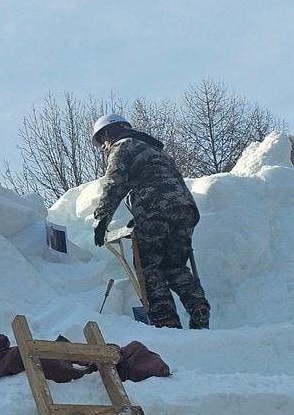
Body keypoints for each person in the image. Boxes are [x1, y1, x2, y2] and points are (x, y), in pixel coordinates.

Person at [90, 114, 211, 330]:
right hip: (185, 209)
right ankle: (198, 305)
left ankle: (166, 322)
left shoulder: (122, 146)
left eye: (103, 143)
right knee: (175, 265)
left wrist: (102, 218)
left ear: (108, 133)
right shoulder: (154, 150)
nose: (104, 148)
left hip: (154, 207)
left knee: (149, 266)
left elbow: (114, 181)